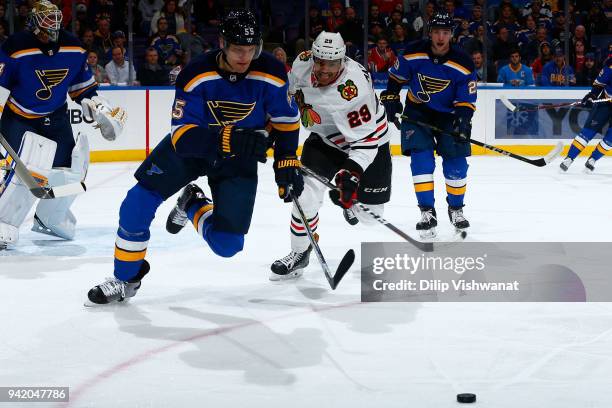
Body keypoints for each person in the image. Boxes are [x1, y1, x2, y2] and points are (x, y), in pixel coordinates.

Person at [85, 10, 302, 305]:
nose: (245, 57)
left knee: (228, 245)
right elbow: (184, 138)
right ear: (223, 43)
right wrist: (232, 138)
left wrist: (287, 161)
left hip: (237, 159)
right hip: (194, 150)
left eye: (252, 49)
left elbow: (286, 123)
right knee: (136, 203)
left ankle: (193, 204)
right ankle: (125, 279)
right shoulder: (196, 73)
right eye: (238, 49)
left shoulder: (272, 73)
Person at [0, 0, 126, 249]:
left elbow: (82, 88)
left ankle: (50, 218)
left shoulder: (74, 48)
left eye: (55, 28)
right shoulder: (15, 47)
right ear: (33, 25)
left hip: (56, 116)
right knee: (29, 169)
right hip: (20, 116)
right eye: (47, 29)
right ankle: (4, 221)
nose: (52, 34)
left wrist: (96, 106)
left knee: (73, 168)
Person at [270, 31, 391, 280]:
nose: (324, 69)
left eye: (332, 63)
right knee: (304, 197)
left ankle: (349, 202)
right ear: (313, 55)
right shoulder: (303, 63)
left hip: (368, 141)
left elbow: (365, 142)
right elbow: (287, 94)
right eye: (320, 61)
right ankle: (299, 253)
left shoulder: (355, 89)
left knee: (371, 216)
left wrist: (350, 175)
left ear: (342, 61)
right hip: (324, 140)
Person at [381, 12, 477, 238]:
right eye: (436, 32)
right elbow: (396, 78)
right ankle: (427, 212)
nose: (440, 37)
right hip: (418, 112)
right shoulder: (413, 52)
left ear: (451, 35)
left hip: (450, 115)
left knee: (456, 164)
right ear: (430, 33)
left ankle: (456, 209)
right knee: (421, 160)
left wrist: (463, 121)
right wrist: (392, 97)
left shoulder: (463, 62)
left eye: (445, 32)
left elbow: (466, 99)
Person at [559, 56, 611, 173]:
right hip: (605, 104)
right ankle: (569, 158)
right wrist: (592, 95)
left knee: (611, 139)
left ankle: (592, 159)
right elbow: (599, 84)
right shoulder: (610, 67)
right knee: (588, 131)